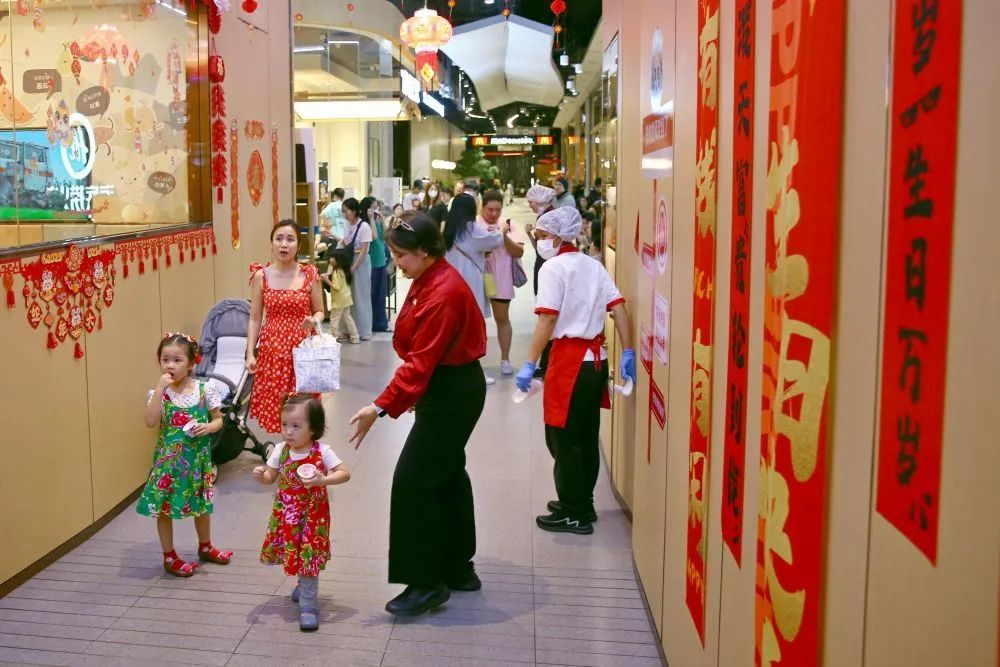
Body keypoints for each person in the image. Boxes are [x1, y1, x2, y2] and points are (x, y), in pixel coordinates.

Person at [348, 211, 488, 618]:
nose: (396, 263)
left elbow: (421, 362)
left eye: (401, 255)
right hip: (446, 386)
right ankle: (457, 567)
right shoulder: (429, 277)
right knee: (446, 474)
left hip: (452, 391)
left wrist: (379, 406)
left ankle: (426, 583)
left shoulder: (442, 291)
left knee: (412, 481)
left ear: (425, 252)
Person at [515, 207, 637, 535]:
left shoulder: (554, 268)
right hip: (596, 363)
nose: (539, 242)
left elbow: (548, 318)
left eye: (542, 236)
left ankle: (573, 511)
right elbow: (619, 308)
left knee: (562, 438)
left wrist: (529, 362)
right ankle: (583, 501)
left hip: (569, 363)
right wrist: (627, 350)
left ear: (557, 236)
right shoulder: (592, 265)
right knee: (585, 436)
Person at [253, 394, 350, 632]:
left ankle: (308, 605)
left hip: (313, 517)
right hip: (287, 514)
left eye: (296, 426)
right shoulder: (280, 450)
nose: (288, 431)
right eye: (285, 424)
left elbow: (344, 473)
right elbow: (270, 476)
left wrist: (323, 479)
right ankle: (303, 584)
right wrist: (261, 476)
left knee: (308, 556)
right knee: (295, 551)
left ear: (314, 429)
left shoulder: (322, 451)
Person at [140, 333, 232, 577]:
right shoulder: (159, 393)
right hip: (168, 464)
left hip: (196, 462)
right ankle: (169, 556)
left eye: (177, 360)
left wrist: (209, 428)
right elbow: (150, 422)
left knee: (201, 506)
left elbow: (218, 420)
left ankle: (205, 546)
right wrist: (160, 389)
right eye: (165, 359)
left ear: (192, 363)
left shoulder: (205, 389)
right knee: (163, 509)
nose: (170, 365)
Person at [247, 221, 324, 434]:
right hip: (273, 352)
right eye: (279, 238)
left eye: (290, 239)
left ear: (298, 246)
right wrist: (250, 354)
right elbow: (254, 318)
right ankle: (284, 454)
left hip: (304, 349)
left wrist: (313, 320)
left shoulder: (310, 274)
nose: (284, 244)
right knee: (279, 404)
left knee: (304, 404)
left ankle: (304, 452)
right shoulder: (261, 276)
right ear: (271, 244)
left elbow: (320, 311)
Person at [443, 194, 504, 385]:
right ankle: (473, 374)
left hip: (449, 285)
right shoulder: (472, 229)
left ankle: (451, 372)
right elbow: (495, 241)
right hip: (469, 286)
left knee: (452, 331)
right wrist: (501, 229)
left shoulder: (448, 230)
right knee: (471, 332)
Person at [480, 189, 525, 378]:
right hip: (478, 278)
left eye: (497, 210)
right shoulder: (473, 224)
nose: (494, 214)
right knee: (474, 321)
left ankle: (505, 359)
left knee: (502, 319)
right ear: (483, 207)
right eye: (490, 209)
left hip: (501, 279)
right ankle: (472, 362)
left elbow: (519, 252)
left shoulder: (509, 224)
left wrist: (503, 236)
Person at [523, 185, 557, 378]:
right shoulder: (545, 216)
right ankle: (546, 362)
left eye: (531, 202)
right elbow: (541, 248)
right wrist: (530, 235)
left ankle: (547, 363)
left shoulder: (550, 218)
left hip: (547, 268)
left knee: (547, 312)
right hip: (543, 266)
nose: (530, 205)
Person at [339, 198, 373, 340]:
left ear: (353, 211)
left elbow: (364, 250)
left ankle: (364, 331)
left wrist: (353, 268)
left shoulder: (364, 226)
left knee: (361, 296)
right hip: (349, 260)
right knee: (349, 296)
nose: (344, 214)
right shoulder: (347, 225)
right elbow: (347, 242)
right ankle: (349, 329)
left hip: (361, 262)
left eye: (346, 211)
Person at [363, 196, 391, 333]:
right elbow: (373, 236)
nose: (375, 209)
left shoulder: (377, 221)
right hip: (372, 262)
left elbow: (386, 236)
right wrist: (371, 219)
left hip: (381, 262)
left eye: (376, 206)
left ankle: (381, 323)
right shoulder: (366, 223)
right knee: (372, 294)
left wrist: (382, 220)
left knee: (381, 295)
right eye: (373, 207)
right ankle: (372, 323)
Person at [323, 247, 360, 344]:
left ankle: (334, 337)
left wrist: (326, 280)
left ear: (338, 260)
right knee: (348, 317)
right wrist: (330, 267)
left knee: (334, 318)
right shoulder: (343, 270)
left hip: (339, 299)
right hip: (346, 298)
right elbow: (329, 272)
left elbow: (337, 287)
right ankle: (355, 336)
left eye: (333, 258)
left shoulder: (337, 272)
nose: (330, 259)